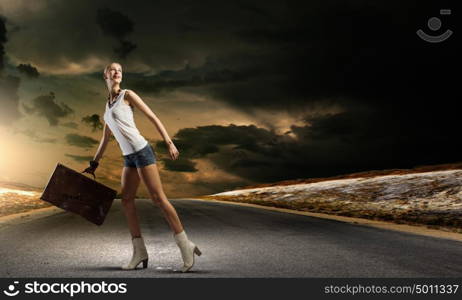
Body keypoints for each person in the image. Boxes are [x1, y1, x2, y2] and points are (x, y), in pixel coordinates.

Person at [82, 62, 201, 272]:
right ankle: (139, 252)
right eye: (112, 69)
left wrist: (169, 141)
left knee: (158, 199)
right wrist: (95, 162)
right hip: (128, 157)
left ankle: (186, 246)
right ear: (105, 75)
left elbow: (152, 117)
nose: (117, 72)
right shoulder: (107, 106)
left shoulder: (127, 95)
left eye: (119, 70)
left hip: (142, 151)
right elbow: (106, 137)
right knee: (127, 200)